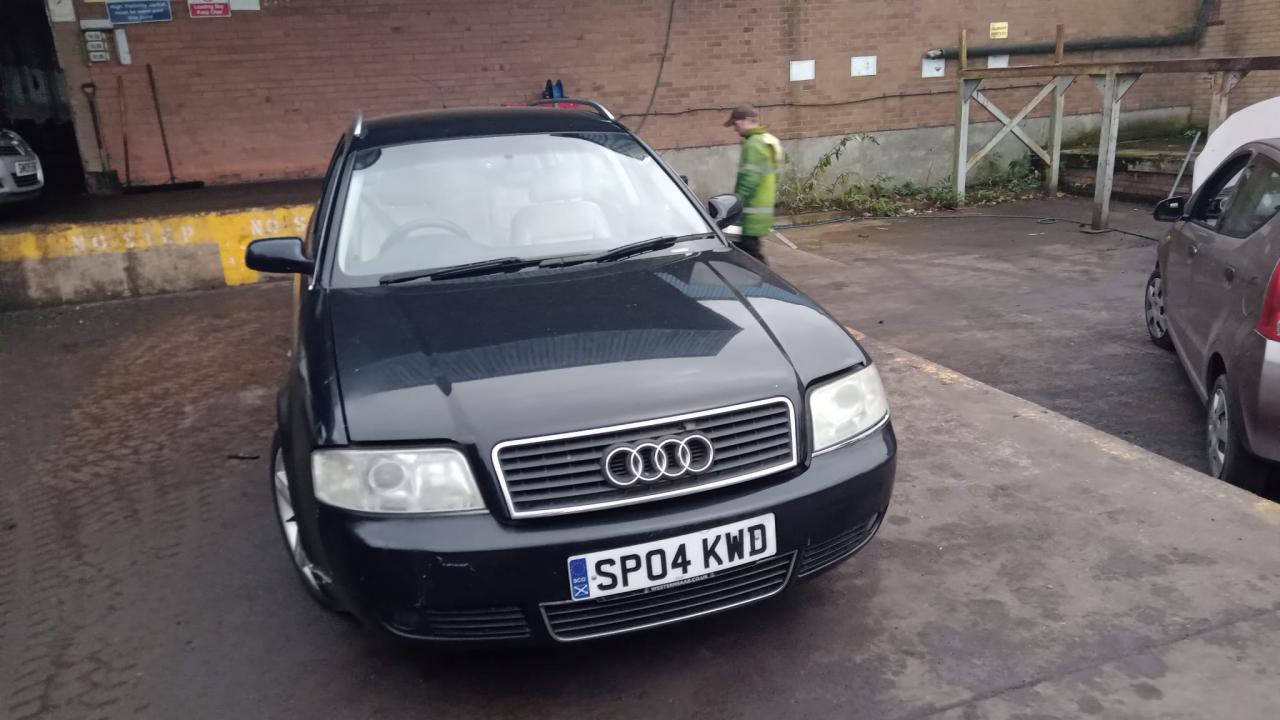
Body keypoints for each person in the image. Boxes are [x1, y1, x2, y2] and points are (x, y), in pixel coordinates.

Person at [726, 104, 784, 263]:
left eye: (735, 124)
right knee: (749, 252)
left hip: (750, 211)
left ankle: (764, 277)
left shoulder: (753, 145)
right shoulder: (766, 141)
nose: (735, 129)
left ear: (745, 120)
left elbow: (749, 180)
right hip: (761, 209)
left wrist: (735, 204)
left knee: (750, 256)